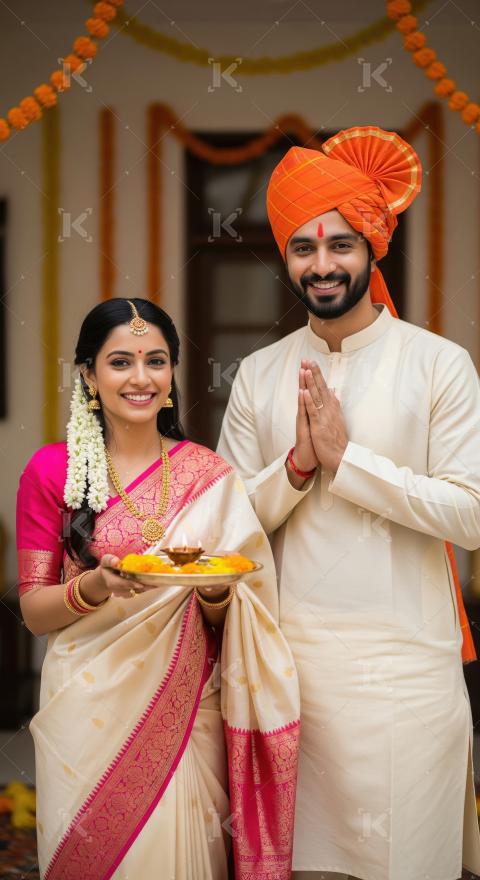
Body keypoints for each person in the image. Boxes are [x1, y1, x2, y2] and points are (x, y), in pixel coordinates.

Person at [217, 126, 480, 880]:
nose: (322, 264)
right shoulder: (260, 374)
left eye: (340, 244)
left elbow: (469, 515)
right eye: (303, 247)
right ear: (285, 257)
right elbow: (227, 525)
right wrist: (298, 467)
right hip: (292, 673)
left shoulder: (439, 365)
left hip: (407, 677)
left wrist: (349, 461)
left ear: (372, 247)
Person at [16, 298, 300, 880]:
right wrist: (95, 585)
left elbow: (240, 613)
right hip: (85, 711)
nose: (140, 378)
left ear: (172, 373)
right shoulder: (52, 471)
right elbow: (34, 613)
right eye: (120, 362)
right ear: (88, 375)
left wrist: (216, 593)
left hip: (186, 708)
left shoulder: (208, 475)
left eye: (156, 361)